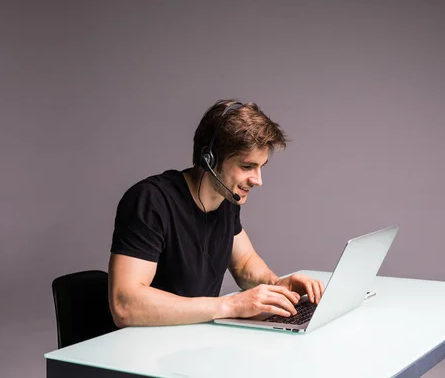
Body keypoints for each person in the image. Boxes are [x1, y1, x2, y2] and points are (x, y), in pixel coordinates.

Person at [108, 99, 325, 327]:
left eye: (261, 167)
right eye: (247, 166)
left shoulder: (227, 199)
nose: (258, 180)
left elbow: (244, 264)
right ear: (208, 158)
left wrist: (277, 285)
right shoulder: (151, 200)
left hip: (196, 340)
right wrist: (231, 306)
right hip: (146, 347)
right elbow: (125, 304)